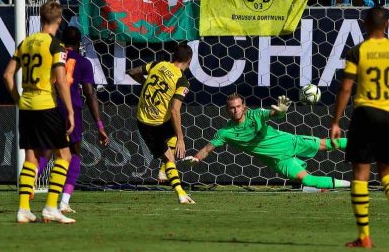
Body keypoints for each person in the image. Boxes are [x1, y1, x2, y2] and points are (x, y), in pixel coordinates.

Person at [329, 6, 389, 248]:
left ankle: (364, 235)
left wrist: (336, 121)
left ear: (365, 25)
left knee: (361, 175)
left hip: (366, 113)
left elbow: (346, 89)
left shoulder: (358, 51)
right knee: (388, 174)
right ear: (388, 25)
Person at [2, 0, 76, 224]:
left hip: (26, 106)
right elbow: (61, 80)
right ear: (59, 20)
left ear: (42, 19)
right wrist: (70, 111)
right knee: (64, 155)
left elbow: (7, 75)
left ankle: (24, 209)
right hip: (46, 105)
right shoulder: (56, 45)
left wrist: (18, 101)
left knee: (31, 158)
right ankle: (51, 207)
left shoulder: (25, 42)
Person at [184, 93, 351, 191]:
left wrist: (280, 112)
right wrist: (197, 158)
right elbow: (208, 148)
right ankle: (353, 184)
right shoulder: (225, 133)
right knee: (307, 181)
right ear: (227, 110)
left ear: (244, 106)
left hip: (290, 142)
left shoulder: (255, 114)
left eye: (238, 106)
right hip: (279, 161)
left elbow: (273, 114)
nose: (235, 110)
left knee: (327, 144)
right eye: (232, 108)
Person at [36, 26, 110, 213]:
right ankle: (64, 202)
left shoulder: (52, 58)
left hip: (49, 105)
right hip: (71, 110)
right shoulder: (84, 63)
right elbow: (90, 94)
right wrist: (99, 125)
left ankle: (29, 182)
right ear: (79, 44)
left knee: (47, 151)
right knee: (73, 154)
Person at [127, 44, 195, 204]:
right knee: (170, 158)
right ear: (190, 61)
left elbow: (132, 71)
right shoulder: (182, 80)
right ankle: (181, 193)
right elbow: (175, 111)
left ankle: (163, 172)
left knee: (170, 135)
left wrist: (145, 84)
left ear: (174, 56)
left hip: (142, 119)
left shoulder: (158, 64)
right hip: (155, 125)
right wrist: (181, 138)